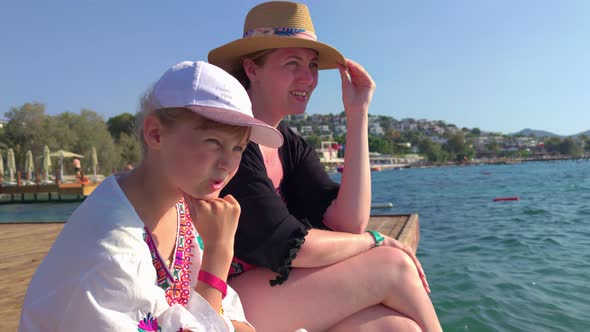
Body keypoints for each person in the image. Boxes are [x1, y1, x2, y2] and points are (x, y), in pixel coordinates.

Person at [209, 2, 443, 331]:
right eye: (292, 63)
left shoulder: (288, 144)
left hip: (273, 291)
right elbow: (290, 244)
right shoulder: (231, 142)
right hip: (223, 297)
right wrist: (374, 240)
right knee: (393, 266)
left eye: (313, 65)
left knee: (397, 328)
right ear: (252, 69)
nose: (308, 78)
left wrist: (357, 113)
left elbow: (347, 221)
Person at [20, 61, 283, 331]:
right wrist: (219, 252)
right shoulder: (112, 246)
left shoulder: (180, 205)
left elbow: (231, 320)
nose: (228, 163)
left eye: (238, 148)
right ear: (155, 134)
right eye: (213, 142)